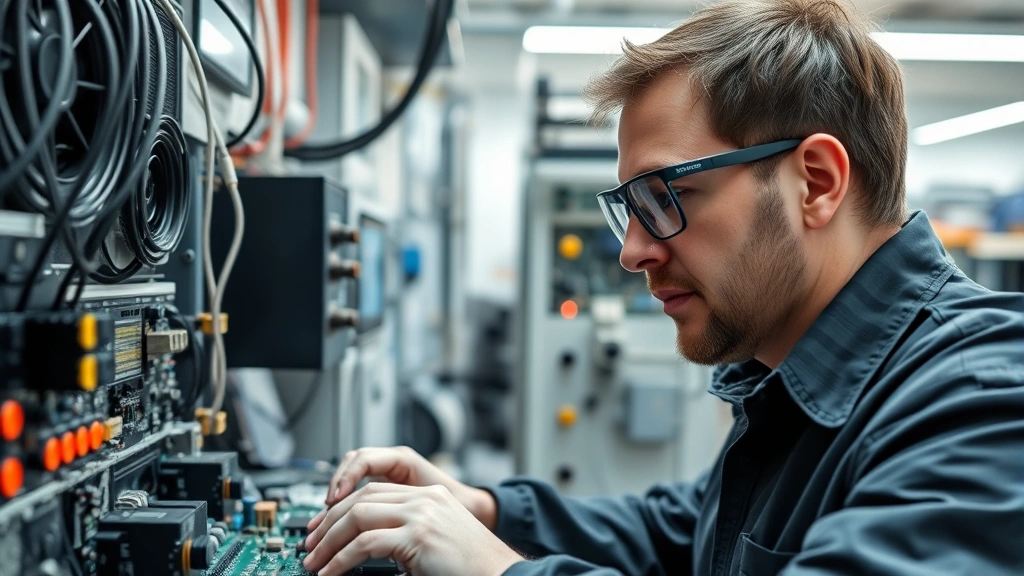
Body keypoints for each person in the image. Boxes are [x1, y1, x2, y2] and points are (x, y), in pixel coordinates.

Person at [299, 0, 1024, 574]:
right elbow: (691, 531)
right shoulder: (793, 381)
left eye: (665, 197)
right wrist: (486, 511)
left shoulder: (984, 403)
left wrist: (497, 570)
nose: (635, 253)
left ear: (817, 183)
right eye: (629, 211)